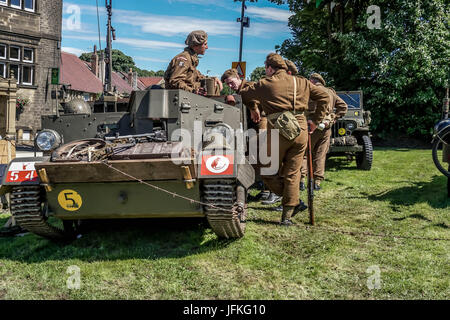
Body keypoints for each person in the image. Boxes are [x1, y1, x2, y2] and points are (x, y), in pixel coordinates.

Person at [223, 53, 330, 226]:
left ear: (270, 68)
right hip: (301, 129)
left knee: (265, 167)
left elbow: (244, 94)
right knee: (293, 172)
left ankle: (291, 201)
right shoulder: (301, 81)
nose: (265, 70)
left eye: (266, 67)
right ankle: (288, 213)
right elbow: (324, 97)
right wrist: (315, 121)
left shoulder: (266, 83)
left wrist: (253, 109)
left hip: (279, 130)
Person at [300, 73, 348, 190]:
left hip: (311, 125)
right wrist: (334, 117)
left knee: (304, 153)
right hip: (326, 126)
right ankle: (317, 182)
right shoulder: (331, 92)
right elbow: (344, 107)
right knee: (320, 154)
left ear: (312, 81)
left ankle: (301, 180)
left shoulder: (310, 90)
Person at [164, 30, 222, 95]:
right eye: (205, 44)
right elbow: (175, 81)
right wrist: (193, 91)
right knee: (212, 87)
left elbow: (198, 77)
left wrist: (213, 79)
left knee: (212, 84)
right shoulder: (184, 59)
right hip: (178, 95)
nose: (207, 47)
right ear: (196, 45)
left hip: (186, 93)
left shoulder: (192, 58)